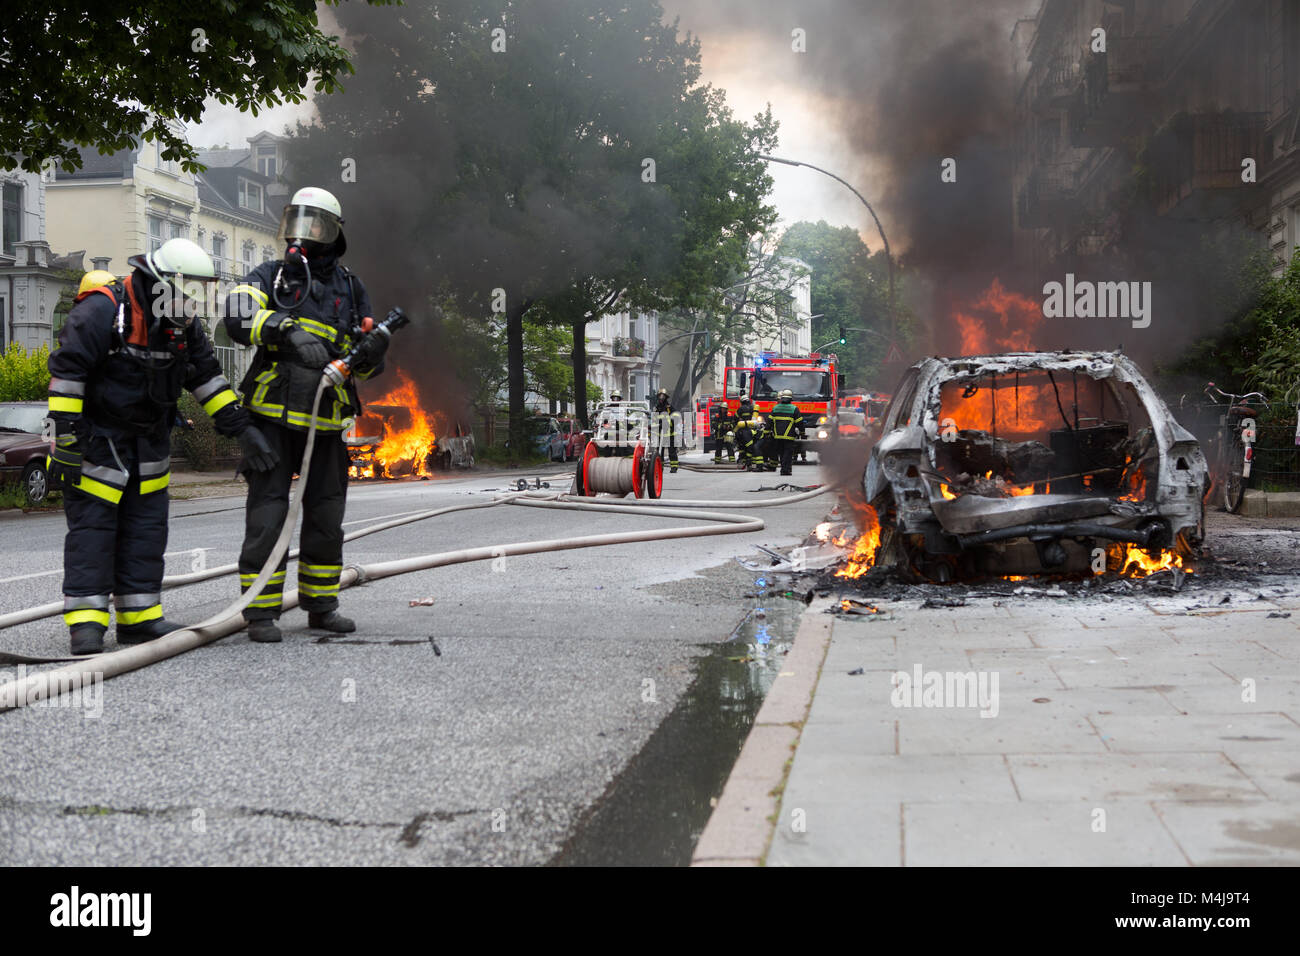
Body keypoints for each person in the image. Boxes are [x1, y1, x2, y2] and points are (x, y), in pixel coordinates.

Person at [47, 239, 277, 655]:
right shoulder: (104, 310)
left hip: (151, 441)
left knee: (146, 530)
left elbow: (206, 378)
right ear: (159, 284)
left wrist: (242, 429)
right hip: (99, 441)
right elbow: (67, 375)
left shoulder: (183, 324)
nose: (192, 305)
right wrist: (65, 441)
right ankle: (86, 624)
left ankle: (139, 618)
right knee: (94, 532)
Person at [224, 186, 390, 643]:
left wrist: (376, 351)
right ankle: (259, 614)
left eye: (313, 224)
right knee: (267, 518)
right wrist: (283, 329)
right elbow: (236, 318)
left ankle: (321, 604)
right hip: (271, 421)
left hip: (326, 424)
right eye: (297, 222)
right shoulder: (270, 276)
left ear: (333, 232)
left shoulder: (351, 288)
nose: (302, 235)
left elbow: (367, 365)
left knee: (325, 517)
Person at [768, 388, 806, 476]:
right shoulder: (794, 409)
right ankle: (786, 470)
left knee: (781, 453)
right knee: (788, 453)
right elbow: (800, 423)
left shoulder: (775, 408)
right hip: (789, 436)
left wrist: (766, 432)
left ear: (782, 398)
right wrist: (802, 433)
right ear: (790, 399)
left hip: (777, 436)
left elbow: (769, 422)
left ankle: (783, 468)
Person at [652, 388, 679, 474]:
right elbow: (654, 419)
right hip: (660, 433)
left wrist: (670, 421)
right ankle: (660, 467)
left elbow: (676, 416)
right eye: (660, 396)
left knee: (672, 451)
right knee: (660, 451)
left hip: (669, 433)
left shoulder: (669, 407)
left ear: (665, 397)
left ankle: (674, 467)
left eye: (663, 396)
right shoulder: (656, 408)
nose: (661, 398)